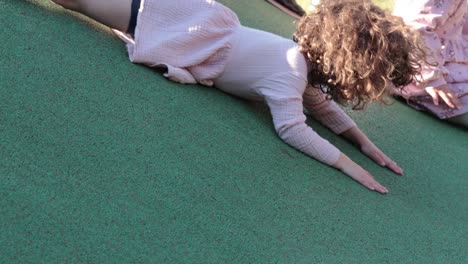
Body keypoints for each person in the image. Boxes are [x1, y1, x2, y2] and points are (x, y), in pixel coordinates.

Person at [48, 0, 428, 194]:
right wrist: (347, 164)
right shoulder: (290, 71)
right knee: (81, 2)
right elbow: (292, 128)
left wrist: (363, 142)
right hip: (186, 30)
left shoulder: (298, 67)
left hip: (198, 27)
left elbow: (319, 105)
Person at [393, 0, 468, 127]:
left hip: (446, 56)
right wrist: (432, 79)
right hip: (417, 66)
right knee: (456, 100)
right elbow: (412, 29)